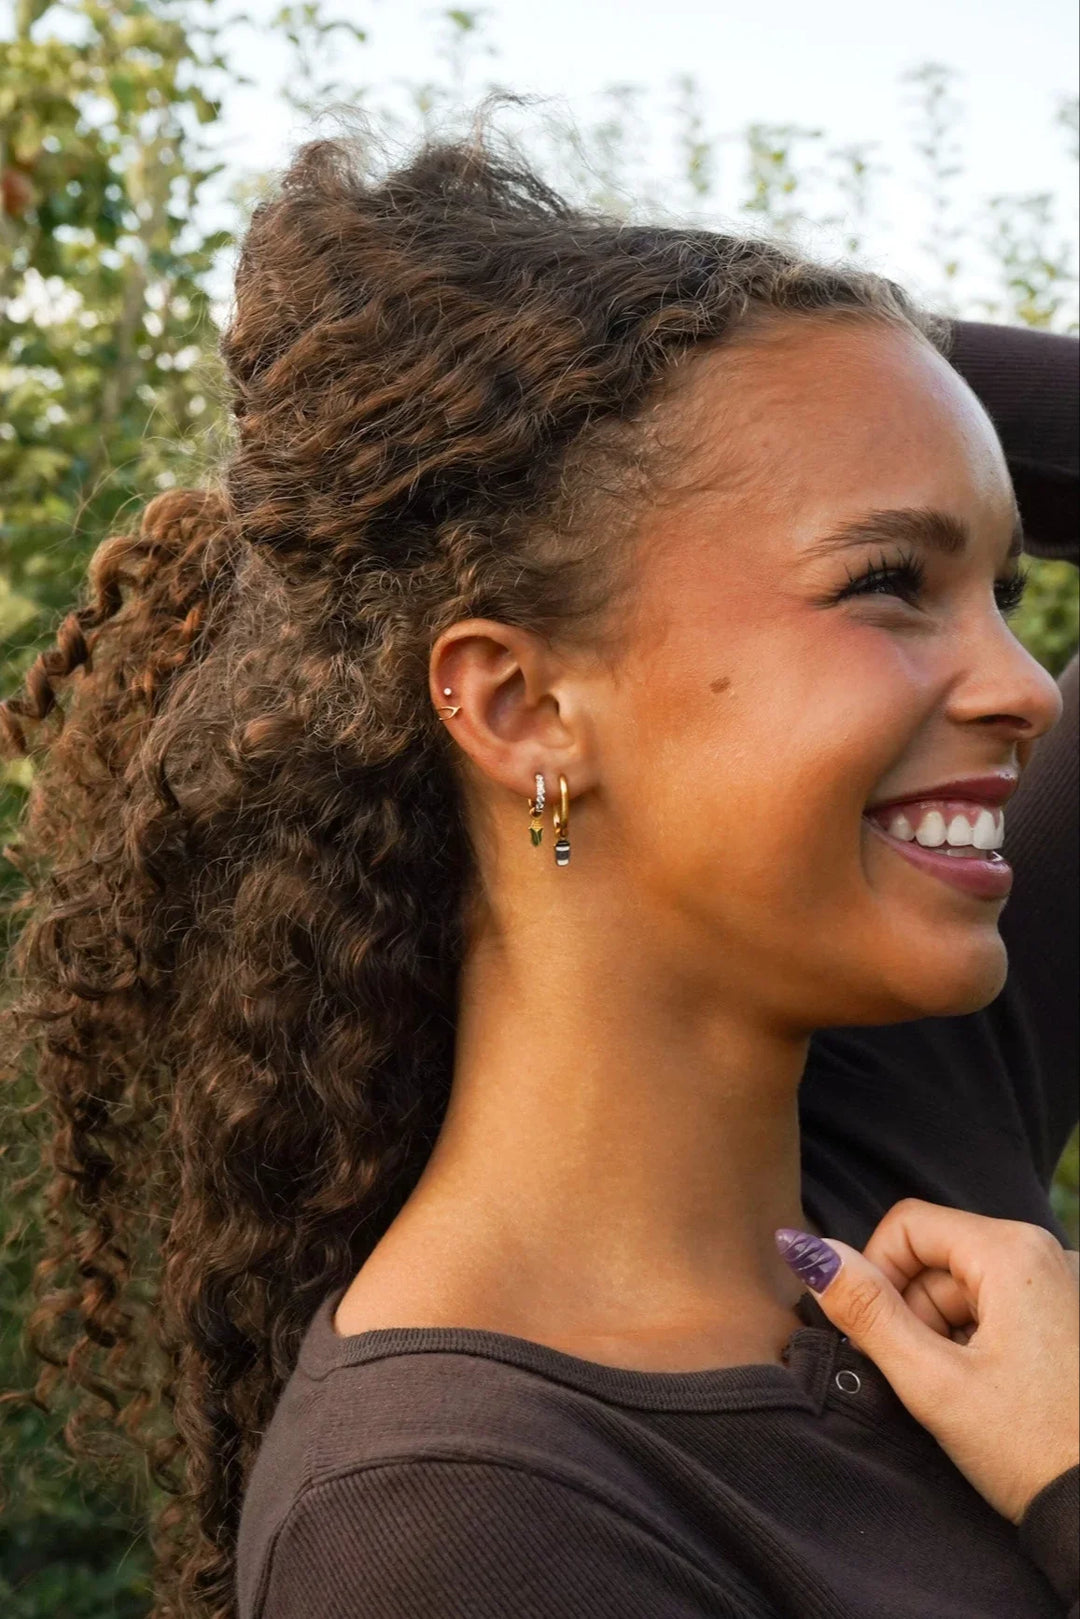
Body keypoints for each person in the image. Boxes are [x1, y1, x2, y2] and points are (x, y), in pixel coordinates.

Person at [0, 130, 1076, 1619]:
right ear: (522, 708)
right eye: (891, 581)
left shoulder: (898, 1123)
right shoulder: (449, 1529)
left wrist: (833, 350)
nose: (1026, 686)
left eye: (1006, 594)